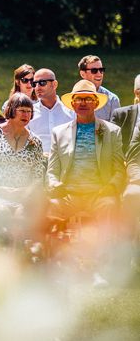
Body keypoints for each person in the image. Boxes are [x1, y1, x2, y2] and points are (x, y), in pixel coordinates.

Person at [46, 80, 124, 278]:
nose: (82, 103)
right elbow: (52, 170)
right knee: (52, 206)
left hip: (99, 192)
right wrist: (55, 185)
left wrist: (110, 187)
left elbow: (119, 169)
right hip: (68, 193)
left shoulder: (111, 131)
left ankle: (102, 267)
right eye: (78, 99)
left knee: (109, 207)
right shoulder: (59, 132)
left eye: (88, 99)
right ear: (72, 104)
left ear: (96, 103)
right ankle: (59, 265)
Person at [0, 94, 46, 246]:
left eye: (29, 111)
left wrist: (25, 192)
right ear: (11, 110)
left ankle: (16, 260)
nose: (26, 115)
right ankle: (1, 258)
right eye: (21, 110)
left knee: (20, 217)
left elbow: (38, 176)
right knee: (3, 212)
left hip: (23, 195)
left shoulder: (35, 142)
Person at [110, 74, 140, 237]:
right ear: (137, 93)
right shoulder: (131, 121)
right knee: (131, 195)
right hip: (131, 173)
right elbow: (131, 157)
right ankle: (127, 248)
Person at [29, 68, 73, 154]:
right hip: (37, 163)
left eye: (42, 83)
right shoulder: (29, 112)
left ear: (54, 84)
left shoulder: (71, 111)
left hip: (65, 162)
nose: (37, 87)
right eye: (34, 84)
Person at [77, 54, 121, 122]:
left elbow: (115, 130)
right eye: (94, 70)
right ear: (82, 74)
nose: (99, 74)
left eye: (101, 70)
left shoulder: (112, 100)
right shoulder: (72, 99)